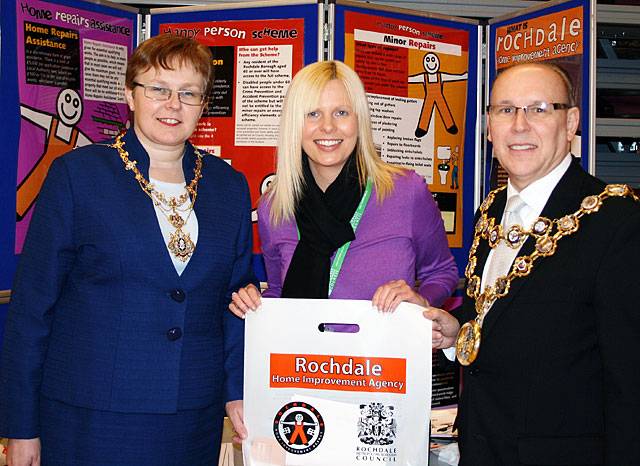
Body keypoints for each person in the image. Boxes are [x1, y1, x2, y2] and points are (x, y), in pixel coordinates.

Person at [0, 34, 254, 465]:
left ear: (202, 104)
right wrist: (21, 428)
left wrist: (237, 393)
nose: (172, 104)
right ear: (130, 96)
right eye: (158, 89)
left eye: (188, 93)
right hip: (90, 417)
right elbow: (31, 309)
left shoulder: (229, 187)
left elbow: (235, 301)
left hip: (191, 418)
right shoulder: (78, 175)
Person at [426, 62, 640, 465]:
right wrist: (458, 333)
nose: (519, 125)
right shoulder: (490, 212)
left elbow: (630, 384)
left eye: (539, 109)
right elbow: (500, 318)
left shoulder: (617, 221)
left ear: (571, 122)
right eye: (505, 110)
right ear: (489, 127)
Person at [229, 60, 458, 316]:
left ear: (359, 120)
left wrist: (421, 301)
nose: (328, 126)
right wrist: (256, 304)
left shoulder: (405, 191)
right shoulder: (275, 205)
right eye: (313, 114)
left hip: (381, 355)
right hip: (303, 355)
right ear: (295, 124)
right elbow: (280, 291)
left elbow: (442, 272)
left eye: (341, 112)